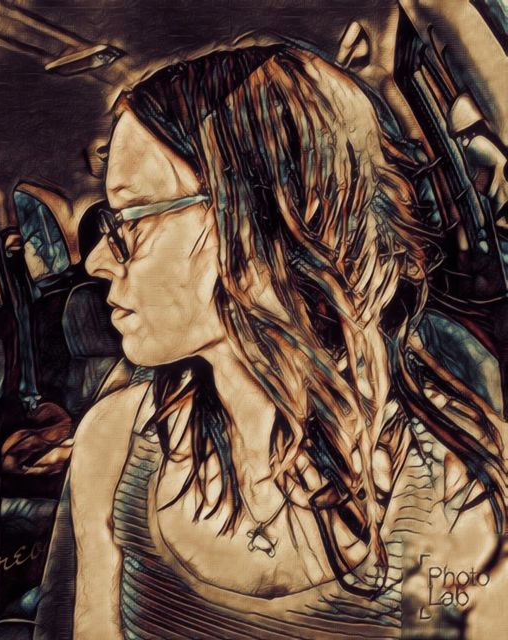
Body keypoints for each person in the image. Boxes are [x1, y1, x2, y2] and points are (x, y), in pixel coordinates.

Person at [70, 43, 507, 639]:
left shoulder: (458, 486)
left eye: (133, 218)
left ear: (267, 219)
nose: (97, 260)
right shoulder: (112, 443)